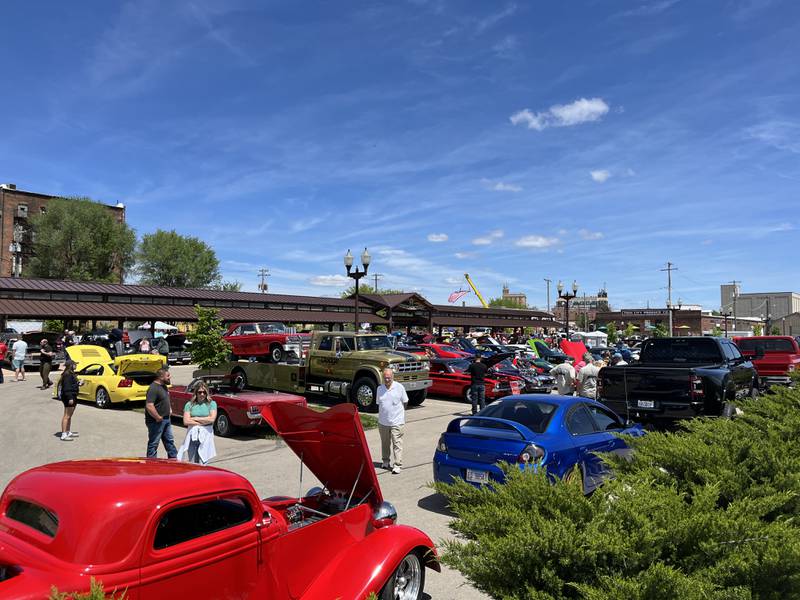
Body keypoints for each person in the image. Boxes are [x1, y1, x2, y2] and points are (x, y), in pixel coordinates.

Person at [377, 367, 408, 474]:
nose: (387, 380)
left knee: (397, 444)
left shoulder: (399, 387)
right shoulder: (379, 389)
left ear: (392, 377)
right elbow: (380, 404)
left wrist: (400, 415)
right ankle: (385, 461)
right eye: (385, 378)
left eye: (389, 378)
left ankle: (397, 465)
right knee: (385, 443)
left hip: (397, 422)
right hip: (383, 422)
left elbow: (405, 402)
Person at [177, 383, 217, 465]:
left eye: (204, 392)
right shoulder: (189, 405)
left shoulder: (212, 404)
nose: (202, 394)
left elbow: (212, 419)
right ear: (196, 393)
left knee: (203, 462)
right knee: (192, 463)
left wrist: (195, 418)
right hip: (192, 436)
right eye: (200, 392)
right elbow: (186, 421)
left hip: (206, 436)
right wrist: (205, 421)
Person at [144, 368, 177, 459]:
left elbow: (165, 399)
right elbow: (149, 405)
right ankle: (151, 463)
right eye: (168, 375)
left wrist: (169, 409)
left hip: (166, 419)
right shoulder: (153, 388)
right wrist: (158, 417)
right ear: (161, 377)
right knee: (154, 443)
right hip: (156, 421)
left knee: (169, 441)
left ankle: (174, 459)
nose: (170, 377)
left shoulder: (164, 386)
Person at [59, 360, 81, 441]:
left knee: (69, 416)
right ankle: (63, 434)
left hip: (72, 395)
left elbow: (72, 384)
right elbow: (67, 388)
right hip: (69, 397)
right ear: (71, 365)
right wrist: (70, 398)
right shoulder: (67, 375)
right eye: (75, 364)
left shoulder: (71, 373)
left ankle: (68, 431)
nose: (76, 365)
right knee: (66, 416)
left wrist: (78, 384)